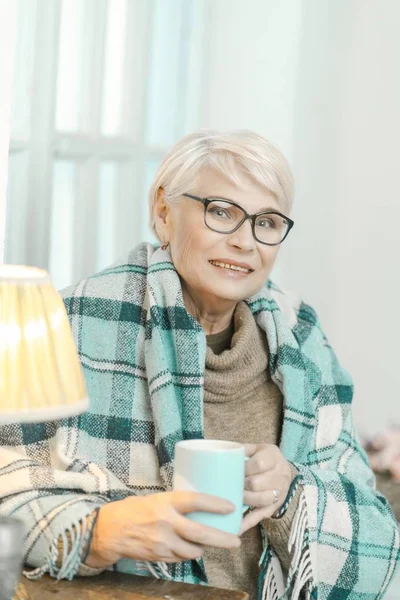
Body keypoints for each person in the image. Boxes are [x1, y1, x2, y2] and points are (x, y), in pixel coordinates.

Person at [0, 130, 398, 600]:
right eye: (222, 212)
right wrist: (99, 530)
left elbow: (379, 541)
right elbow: (10, 493)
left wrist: (291, 491)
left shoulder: (302, 336)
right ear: (164, 213)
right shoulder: (66, 326)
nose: (245, 242)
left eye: (266, 222)